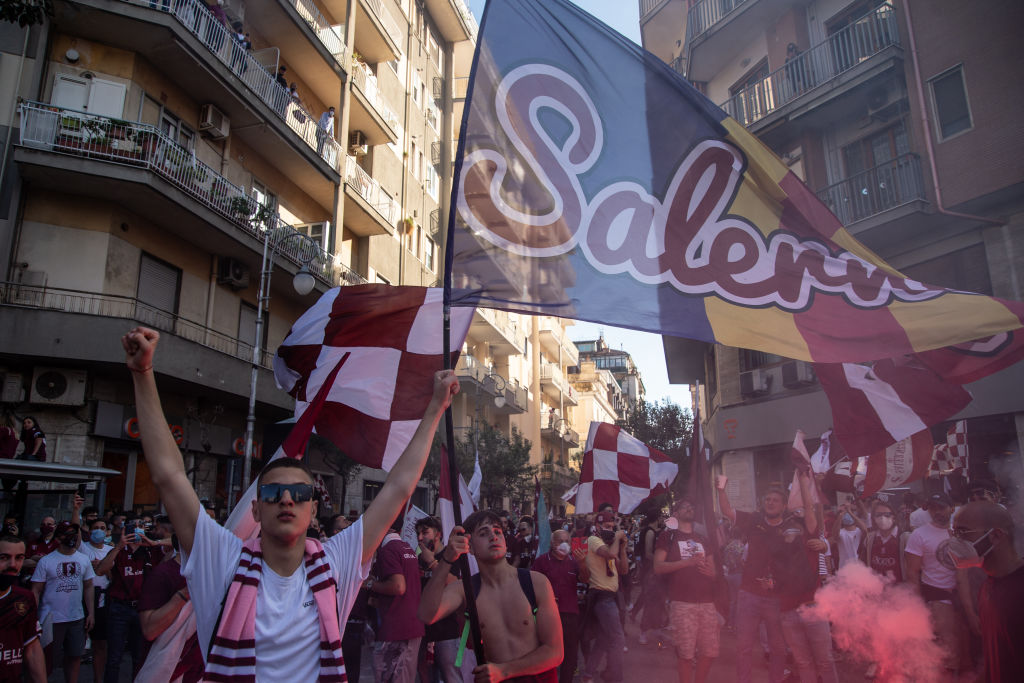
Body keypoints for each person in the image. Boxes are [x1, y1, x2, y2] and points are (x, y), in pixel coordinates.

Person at [121, 325, 459, 679]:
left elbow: (399, 487)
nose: (286, 499)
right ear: (255, 509)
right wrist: (142, 373)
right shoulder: (220, 560)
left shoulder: (337, 562)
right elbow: (169, 477)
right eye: (272, 493)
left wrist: (436, 406)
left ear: (313, 509)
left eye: (299, 494)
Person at [419, 509, 562, 682]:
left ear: (505, 541)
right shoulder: (465, 590)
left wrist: (504, 671)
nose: (493, 537)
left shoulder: (536, 583)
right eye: (483, 533)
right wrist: (447, 559)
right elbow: (426, 614)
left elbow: (555, 652)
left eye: (497, 531)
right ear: (469, 547)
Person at [717, 477, 791, 683]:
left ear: (784, 506)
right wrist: (721, 490)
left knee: (777, 647)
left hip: (776, 597)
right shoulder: (754, 520)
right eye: (768, 499)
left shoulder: (791, 528)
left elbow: (796, 564)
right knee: (744, 646)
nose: (771, 502)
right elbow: (727, 511)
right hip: (749, 594)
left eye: (776, 500)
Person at [952, 501, 1024, 681]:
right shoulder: (987, 587)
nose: (955, 542)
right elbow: (996, 656)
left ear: (996, 536)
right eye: (954, 533)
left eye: (963, 533)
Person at [653, 498, 719, 683]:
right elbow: (658, 567)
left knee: (710, 652)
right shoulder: (669, 537)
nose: (689, 508)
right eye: (684, 507)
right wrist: (687, 563)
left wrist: (710, 572)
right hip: (682, 602)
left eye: (692, 506)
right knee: (686, 654)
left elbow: (714, 572)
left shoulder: (703, 539)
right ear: (676, 513)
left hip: (707, 602)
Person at [905, 492, 964, 675]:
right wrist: (918, 607)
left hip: (966, 595)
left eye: (941, 507)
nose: (937, 512)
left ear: (952, 508)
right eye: (933, 508)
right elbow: (912, 573)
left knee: (966, 648)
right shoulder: (919, 535)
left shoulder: (962, 531)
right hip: (939, 598)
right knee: (948, 649)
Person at [30, 520, 95, 683]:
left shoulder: (83, 559)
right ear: (58, 538)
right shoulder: (46, 561)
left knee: (74, 656)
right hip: (51, 618)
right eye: (68, 534)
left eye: (74, 533)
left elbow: (88, 587)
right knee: (46, 658)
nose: (72, 537)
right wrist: (33, 618)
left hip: (76, 617)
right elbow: (36, 591)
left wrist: (91, 613)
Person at [136, 532, 204, 681]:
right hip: (167, 670)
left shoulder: (210, 574)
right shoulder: (163, 574)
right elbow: (149, 630)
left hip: (198, 669)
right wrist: (183, 595)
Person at [96, 517, 154, 682]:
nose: (137, 529)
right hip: (119, 608)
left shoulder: (149, 551)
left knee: (138, 656)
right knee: (114, 657)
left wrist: (153, 543)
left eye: (141, 526)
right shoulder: (119, 550)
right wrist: (119, 546)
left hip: (142, 609)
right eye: (133, 526)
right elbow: (100, 570)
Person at [367, 522, 424, 683]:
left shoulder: (388, 550)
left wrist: (370, 584)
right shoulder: (406, 548)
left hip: (397, 628)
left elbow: (399, 587)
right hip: (410, 624)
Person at [532, 528, 589, 683]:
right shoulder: (542, 561)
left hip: (570, 613)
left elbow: (585, 579)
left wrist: (583, 563)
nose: (564, 544)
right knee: (546, 651)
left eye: (567, 541)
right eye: (560, 541)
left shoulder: (574, 561)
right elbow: (532, 585)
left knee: (569, 654)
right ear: (552, 543)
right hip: (547, 614)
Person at [579, 510, 628, 683]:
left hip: (611, 596)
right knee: (617, 638)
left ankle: (588, 674)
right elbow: (609, 554)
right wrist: (617, 540)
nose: (610, 529)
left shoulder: (610, 543)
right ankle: (616, 678)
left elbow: (623, 569)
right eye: (607, 526)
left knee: (603, 640)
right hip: (601, 596)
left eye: (612, 526)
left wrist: (622, 547)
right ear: (597, 526)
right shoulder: (593, 540)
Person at [414, 516, 461, 683]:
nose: (420, 538)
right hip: (424, 632)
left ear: (438, 534)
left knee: (451, 676)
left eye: (425, 532)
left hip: (447, 631)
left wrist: (433, 563)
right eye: (418, 533)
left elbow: (455, 584)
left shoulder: (450, 555)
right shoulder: (419, 559)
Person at [0, 534, 46, 682]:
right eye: (4, 557)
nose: (13, 564)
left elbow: (32, 648)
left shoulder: (25, 598)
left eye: (19, 557)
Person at [76, 517, 113, 683]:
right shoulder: (83, 548)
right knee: (77, 644)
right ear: (89, 531)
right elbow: (75, 533)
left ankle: (98, 679)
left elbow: (114, 577)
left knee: (100, 644)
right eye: (96, 527)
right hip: (83, 597)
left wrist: (103, 568)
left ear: (107, 532)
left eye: (102, 527)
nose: (99, 530)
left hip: (103, 598)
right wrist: (76, 511)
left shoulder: (110, 550)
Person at [862, 500, 905, 581]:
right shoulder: (869, 539)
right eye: (878, 515)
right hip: (876, 588)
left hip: (900, 589)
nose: (882, 518)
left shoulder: (904, 539)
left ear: (894, 517)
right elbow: (863, 564)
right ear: (873, 518)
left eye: (887, 514)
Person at [831, 501, 867, 569]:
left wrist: (850, 511)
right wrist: (841, 515)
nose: (847, 514)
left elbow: (865, 529)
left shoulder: (859, 531)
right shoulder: (841, 532)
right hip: (844, 568)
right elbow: (835, 535)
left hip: (858, 567)